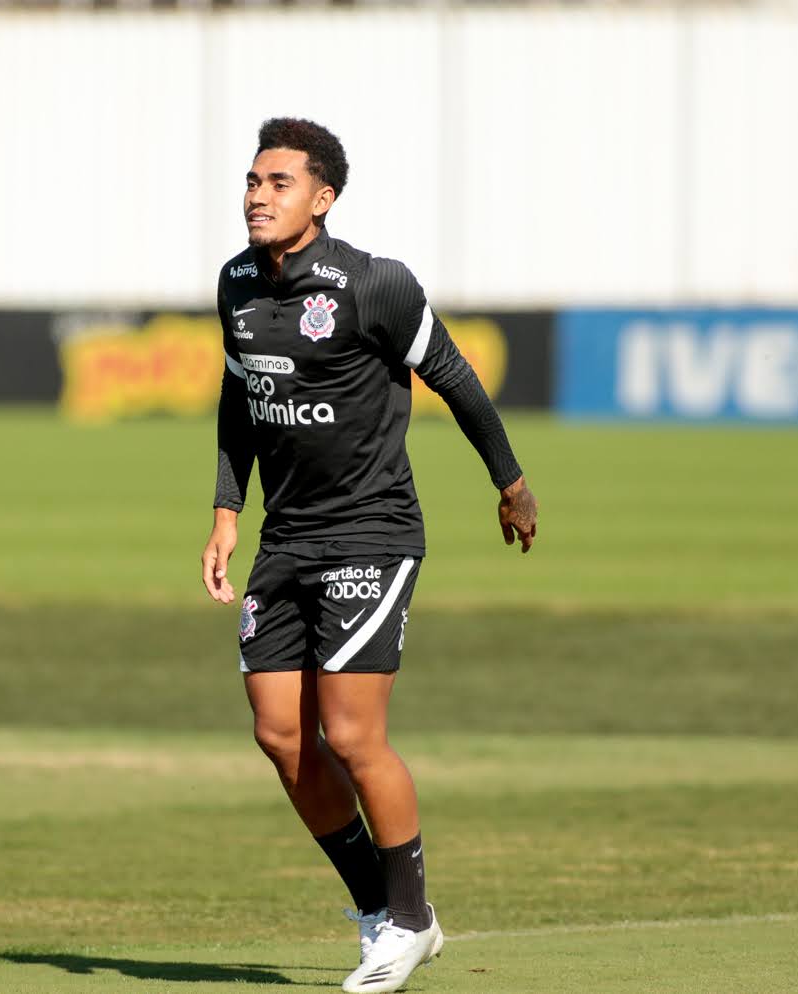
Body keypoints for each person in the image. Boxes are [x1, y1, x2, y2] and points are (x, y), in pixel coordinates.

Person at [200, 117, 537, 994]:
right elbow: (241, 401)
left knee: (351, 735)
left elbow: (456, 377)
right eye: (251, 180)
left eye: (277, 183)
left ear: (323, 198)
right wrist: (227, 510)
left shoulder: (373, 285)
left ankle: (414, 918)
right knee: (281, 735)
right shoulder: (236, 284)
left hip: (373, 531)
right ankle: (379, 914)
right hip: (286, 538)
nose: (256, 196)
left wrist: (510, 480)